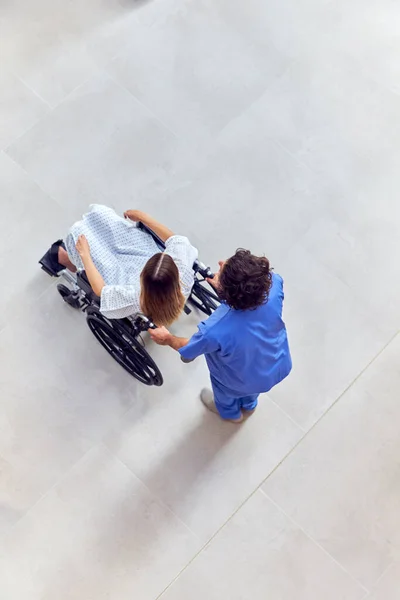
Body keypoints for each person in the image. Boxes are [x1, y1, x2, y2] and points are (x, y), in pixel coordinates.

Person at [150, 249, 292, 423]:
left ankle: (230, 414)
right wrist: (229, 289)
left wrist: (168, 338)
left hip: (237, 381)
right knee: (252, 392)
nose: (220, 262)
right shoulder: (274, 284)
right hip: (277, 364)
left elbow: (188, 348)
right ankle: (250, 404)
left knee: (225, 394)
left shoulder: (214, 329)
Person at [43, 204, 198, 325]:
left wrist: (85, 255)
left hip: (120, 276)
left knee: (81, 236)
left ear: (142, 277)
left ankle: (65, 258)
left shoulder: (134, 297)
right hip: (139, 252)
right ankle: (73, 248)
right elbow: (174, 240)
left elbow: (101, 291)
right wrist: (144, 218)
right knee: (103, 216)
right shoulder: (182, 271)